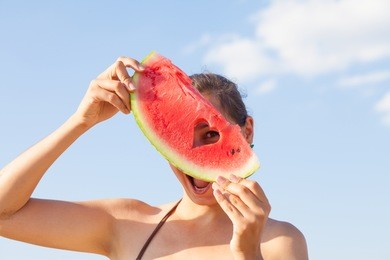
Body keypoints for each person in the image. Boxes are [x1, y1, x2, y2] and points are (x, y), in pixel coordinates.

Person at [0, 56, 308, 260]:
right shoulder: (127, 222)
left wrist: (247, 253)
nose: (195, 156)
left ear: (247, 130)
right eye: (179, 140)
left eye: (211, 135)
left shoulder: (279, 241)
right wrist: (81, 120)